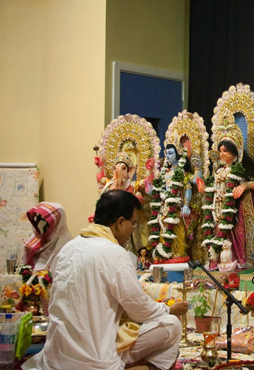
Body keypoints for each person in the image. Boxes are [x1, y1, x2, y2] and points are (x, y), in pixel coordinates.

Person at [23, 190, 189, 370]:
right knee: (172, 325)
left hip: (56, 359)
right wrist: (169, 309)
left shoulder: (67, 249)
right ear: (120, 222)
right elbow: (140, 310)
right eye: (133, 223)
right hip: (97, 361)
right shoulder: (114, 253)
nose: (133, 230)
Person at [200, 136, 254, 270]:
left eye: (225, 150)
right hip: (218, 211)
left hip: (236, 212)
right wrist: (204, 190)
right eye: (220, 150)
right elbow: (214, 190)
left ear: (235, 153)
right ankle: (218, 262)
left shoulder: (240, 170)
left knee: (234, 235)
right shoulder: (218, 171)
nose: (222, 154)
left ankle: (238, 261)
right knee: (218, 234)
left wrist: (245, 186)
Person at [147, 143, 200, 262]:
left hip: (177, 207)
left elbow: (193, 184)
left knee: (177, 230)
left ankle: (178, 253)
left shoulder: (183, 173)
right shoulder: (165, 173)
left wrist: (198, 167)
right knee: (164, 229)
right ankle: (165, 253)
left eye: (170, 153)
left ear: (178, 155)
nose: (167, 156)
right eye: (166, 153)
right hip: (164, 207)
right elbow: (157, 190)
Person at [22, 202, 73, 272]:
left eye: (43, 220)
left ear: (56, 223)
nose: (39, 224)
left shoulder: (65, 243)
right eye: (37, 219)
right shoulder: (35, 239)